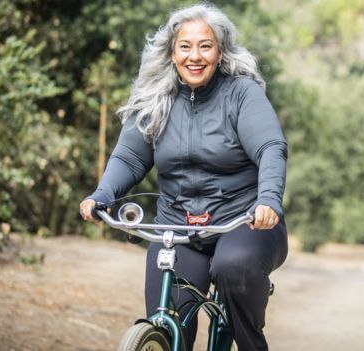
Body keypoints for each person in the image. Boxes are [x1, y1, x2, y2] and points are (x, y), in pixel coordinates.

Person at [79, 3, 287, 350]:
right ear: (172, 52)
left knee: (232, 267)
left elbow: (270, 147)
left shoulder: (242, 94)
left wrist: (268, 200)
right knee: (169, 317)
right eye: (185, 46)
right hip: (177, 229)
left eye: (205, 45)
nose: (195, 55)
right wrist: (101, 195)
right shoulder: (155, 98)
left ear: (220, 52)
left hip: (244, 223)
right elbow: (129, 157)